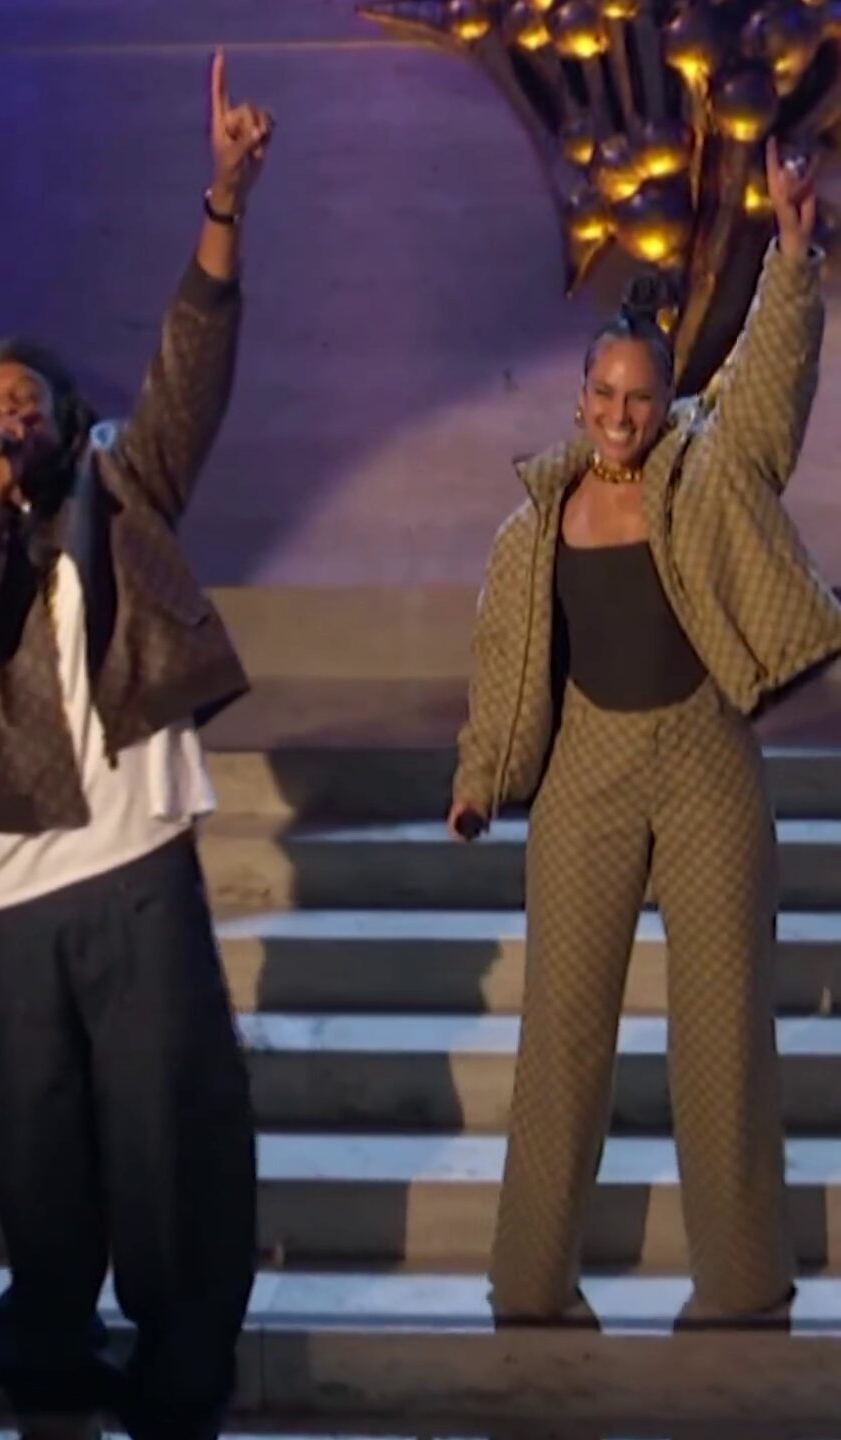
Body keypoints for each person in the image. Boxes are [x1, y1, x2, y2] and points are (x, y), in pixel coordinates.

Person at [0, 51, 273, 1435]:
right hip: (14, 897)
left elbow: (188, 372)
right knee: (38, 1158)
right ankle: (48, 1359)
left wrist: (220, 208)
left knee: (172, 1140)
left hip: (136, 870)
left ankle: (182, 1365)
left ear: (59, 412)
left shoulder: (123, 484)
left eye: (25, 397)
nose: (9, 413)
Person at [448, 138, 841, 1322]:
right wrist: (479, 783)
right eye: (604, 395)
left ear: (664, 400)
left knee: (721, 1034)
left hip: (708, 760)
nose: (621, 413)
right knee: (563, 1034)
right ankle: (530, 1282)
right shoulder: (530, 534)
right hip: (587, 775)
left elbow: (768, 384)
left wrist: (793, 250)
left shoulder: (708, 469)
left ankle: (742, 1280)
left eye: (641, 397)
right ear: (580, 400)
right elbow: (507, 675)